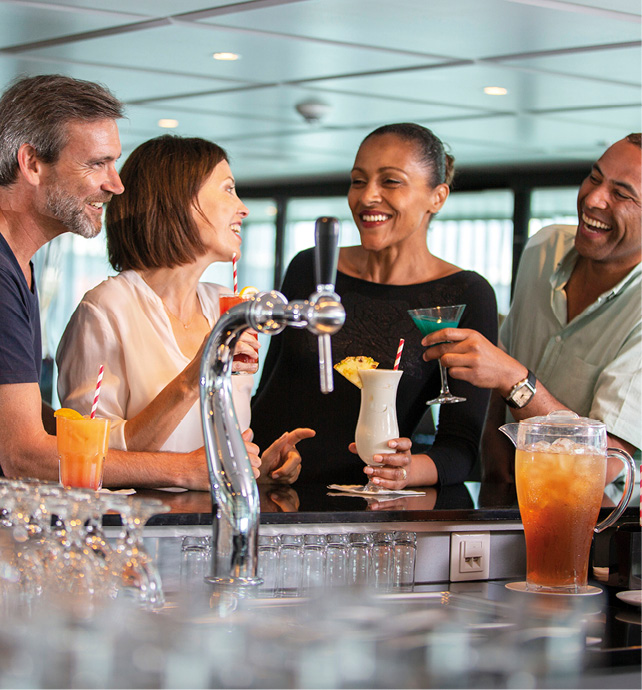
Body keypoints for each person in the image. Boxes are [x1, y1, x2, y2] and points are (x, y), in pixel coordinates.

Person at [0, 74, 257, 489]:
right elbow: (22, 454)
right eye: (97, 163)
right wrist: (185, 469)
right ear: (31, 163)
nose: (115, 185)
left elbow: (30, 425)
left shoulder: (19, 270)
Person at [252, 123, 498, 489]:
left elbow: (460, 448)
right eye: (357, 181)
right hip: (269, 487)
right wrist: (257, 458)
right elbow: (269, 388)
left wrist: (403, 471)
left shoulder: (465, 293)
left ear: (438, 197)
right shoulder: (311, 267)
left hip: (366, 507)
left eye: (391, 182)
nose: (367, 197)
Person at [56, 134, 313, 483]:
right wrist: (194, 378)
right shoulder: (107, 309)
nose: (243, 207)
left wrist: (257, 469)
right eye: (227, 189)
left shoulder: (224, 304)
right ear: (180, 200)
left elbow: (212, 460)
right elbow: (88, 461)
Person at [421, 134, 641, 485]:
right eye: (595, 177)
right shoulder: (544, 247)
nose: (594, 198)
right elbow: (497, 373)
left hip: (603, 523)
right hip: (514, 504)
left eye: (621, 193)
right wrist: (494, 472)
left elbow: (604, 465)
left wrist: (516, 382)